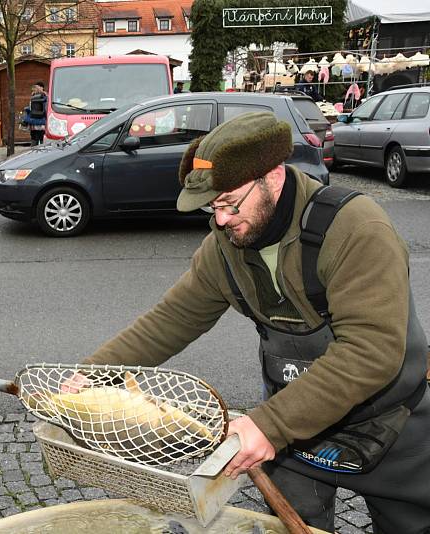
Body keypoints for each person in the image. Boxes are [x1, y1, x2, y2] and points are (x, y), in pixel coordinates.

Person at [78, 112, 430, 532]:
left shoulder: (355, 227)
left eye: (229, 202)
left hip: (391, 422)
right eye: (212, 206)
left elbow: (371, 352)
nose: (221, 219)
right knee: (293, 526)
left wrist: (268, 424)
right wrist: (92, 375)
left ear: (273, 176)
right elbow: (170, 320)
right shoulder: (223, 247)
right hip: (295, 432)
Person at [22, 81, 47, 146]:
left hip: (41, 122)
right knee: (35, 139)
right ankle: (34, 152)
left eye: (37, 87)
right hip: (35, 122)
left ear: (42, 88)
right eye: (35, 88)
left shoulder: (45, 96)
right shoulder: (33, 96)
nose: (36, 89)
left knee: (41, 139)